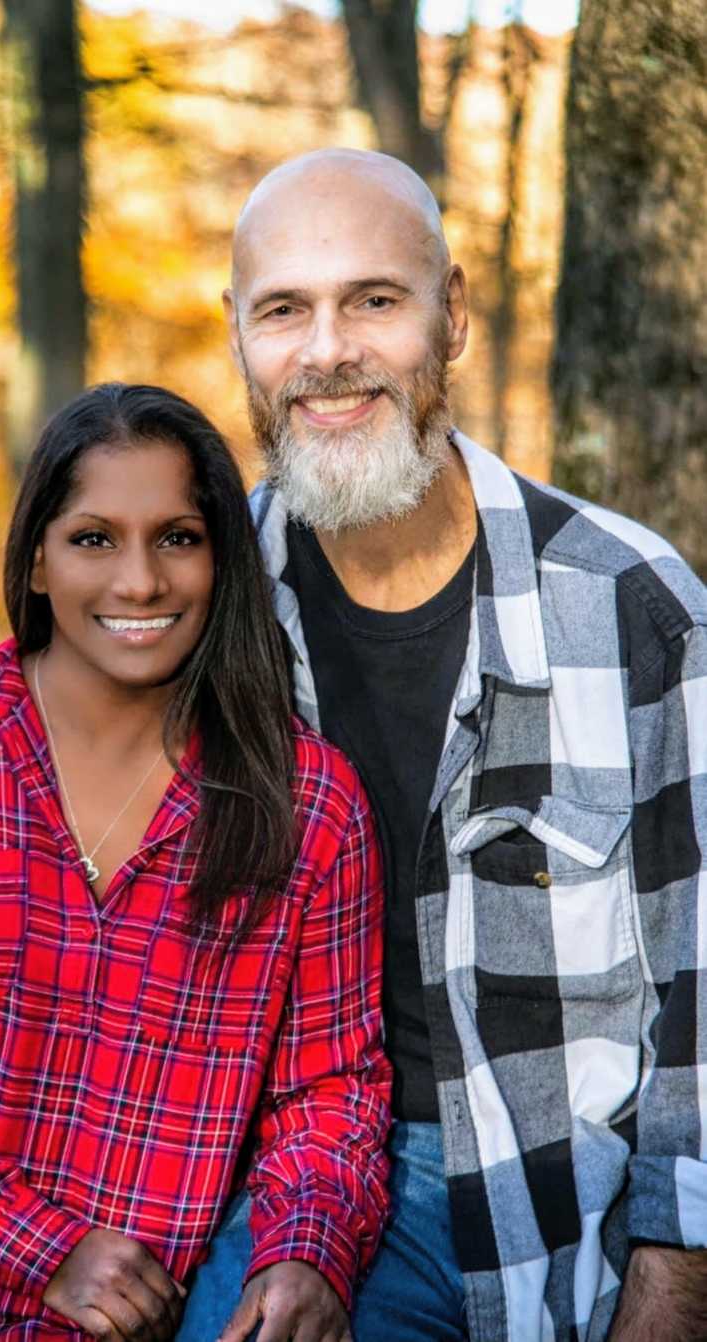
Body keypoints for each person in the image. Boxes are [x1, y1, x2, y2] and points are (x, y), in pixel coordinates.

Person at [176, 150, 707, 1342]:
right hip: (292, 1197)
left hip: (572, 1206)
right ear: (237, 337)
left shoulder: (632, 607)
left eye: (374, 299)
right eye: (284, 311)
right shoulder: (198, 619)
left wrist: (673, 1293)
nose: (327, 351)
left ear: (452, 315)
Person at [0, 382, 392, 1341]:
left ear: (222, 561)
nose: (139, 583)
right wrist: (37, 1247)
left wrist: (305, 1251)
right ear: (36, 559)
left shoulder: (306, 809)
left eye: (177, 538)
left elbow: (330, 1093)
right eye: (93, 539)